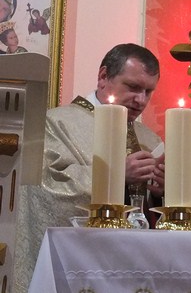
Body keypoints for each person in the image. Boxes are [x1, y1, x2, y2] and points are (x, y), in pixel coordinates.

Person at [15, 43, 165, 291]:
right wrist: (115, 174)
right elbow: (43, 188)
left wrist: (161, 193)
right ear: (103, 76)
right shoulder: (56, 123)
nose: (141, 100)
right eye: (133, 87)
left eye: (149, 92)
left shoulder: (149, 138)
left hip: (135, 266)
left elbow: (152, 217)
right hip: (81, 264)